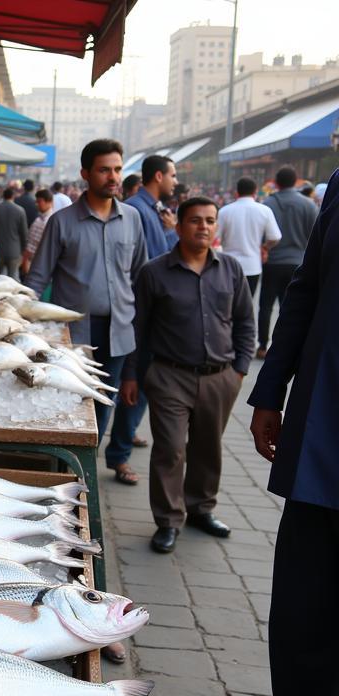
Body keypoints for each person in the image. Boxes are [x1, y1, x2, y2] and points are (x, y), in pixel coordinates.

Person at [246, 169, 339, 696]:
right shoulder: (338, 187)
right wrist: (269, 390)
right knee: (304, 601)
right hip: (326, 434)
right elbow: (305, 294)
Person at [120, 196, 255, 554]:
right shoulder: (154, 272)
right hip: (169, 376)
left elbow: (245, 322)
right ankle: (168, 520)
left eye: (210, 221)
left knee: (208, 448)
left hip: (220, 377)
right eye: (196, 221)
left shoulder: (230, 269)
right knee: (170, 449)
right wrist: (131, 375)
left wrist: (240, 369)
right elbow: (139, 328)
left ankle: (201, 509)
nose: (204, 227)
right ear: (178, 227)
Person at [24, 138, 147, 443]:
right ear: (86, 173)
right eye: (105, 170)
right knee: (70, 402)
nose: (114, 177)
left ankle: (88, 471)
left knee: (104, 400)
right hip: (72, 334)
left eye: (117, 169)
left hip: (119, 331)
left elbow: (141, 278)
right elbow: (37, 279)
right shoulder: (61, 222)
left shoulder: (132, 219)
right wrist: (25, 326)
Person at [105, 155, 180, 487]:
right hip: (140, 313)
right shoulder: (138, 211)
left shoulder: (148, 211)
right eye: (173, 175)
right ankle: (118, 452)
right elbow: (155, 266)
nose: (175, 182)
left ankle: (124, 439)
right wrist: (174, 234)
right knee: (132, 384)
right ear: (159, 176)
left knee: (134, 385)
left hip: (140, 311)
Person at [258, 165, 317, 358]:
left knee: (265, 305)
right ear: (296, 181)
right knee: (289, 307)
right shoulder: (308, 205)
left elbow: (262, 236)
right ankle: (284, 347)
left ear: (276, 182)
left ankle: (262, 346)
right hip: (298, 263)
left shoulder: (267, 204)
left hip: (272, 262)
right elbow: (315, 236)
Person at [216, 177, 281, 297]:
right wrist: (264, 248)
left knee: (227, 305)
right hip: (252, 266)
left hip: (228, 266)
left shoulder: (224, 211)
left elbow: (215, 238)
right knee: (246, 305)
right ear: (255, 192)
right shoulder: (264, 211)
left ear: (237, 192)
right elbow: (275, 237)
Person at [0, 187, 29, 279]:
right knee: (12, 278)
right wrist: (24, 249)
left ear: (3, 196)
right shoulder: (20, 210)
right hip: (15, 251)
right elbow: (24, 233)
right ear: (13, 196)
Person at [21, 187, 54, 276]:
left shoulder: (51, 222)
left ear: (49, 202)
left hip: (38, 267)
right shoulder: (38, 219)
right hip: (29, 265)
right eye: (36, 201)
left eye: (39, 201)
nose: (37, 204)